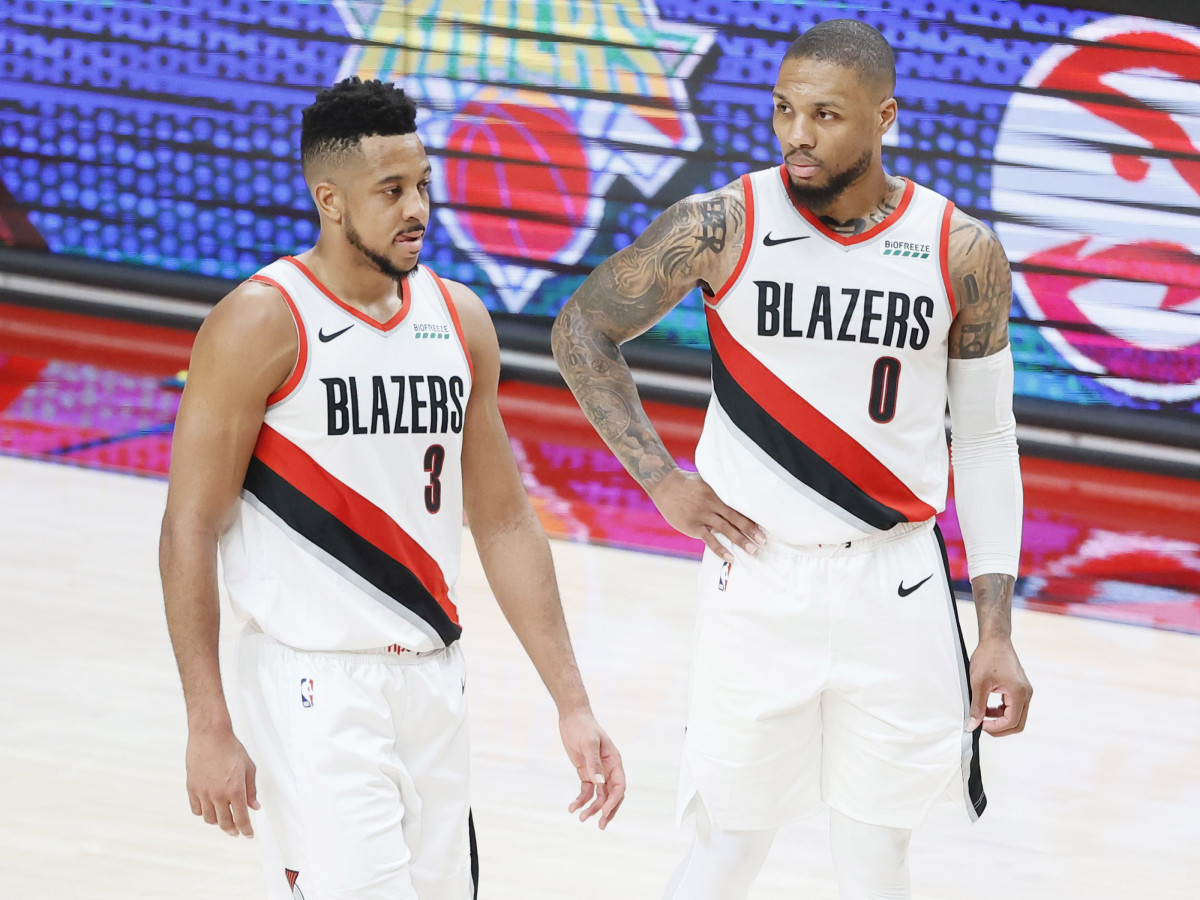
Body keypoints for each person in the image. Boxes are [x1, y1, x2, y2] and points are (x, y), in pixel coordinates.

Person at [552, 19, 1031, 900]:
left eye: (825, 115)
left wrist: (995, 630)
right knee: (729, 846)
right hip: (758, 578)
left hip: (898, 590)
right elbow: (581, 327)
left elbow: (990, 441)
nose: (797, 136)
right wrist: (660, 479)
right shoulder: (723, 225)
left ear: (884, 117)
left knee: (877, 856)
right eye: (783, 111)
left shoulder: (959, 250)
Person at [160, 77, 624, 900]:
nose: (418, 209)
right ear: (329, 201)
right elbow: (189, 528)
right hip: (313, 688)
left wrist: (573, 703)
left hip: (434, 682)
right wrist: (207, 721)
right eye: (391, 191)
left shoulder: (459, 318)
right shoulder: (263, 321)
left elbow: (507, 523)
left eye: (422, 186)